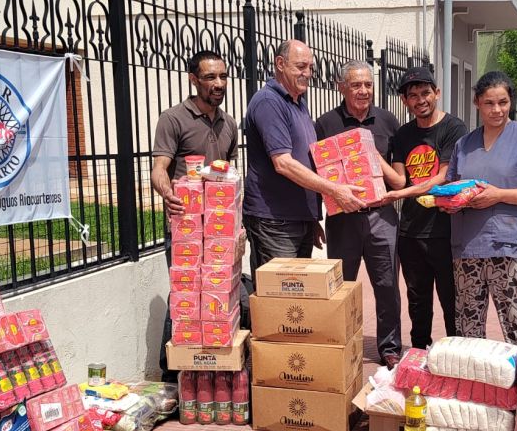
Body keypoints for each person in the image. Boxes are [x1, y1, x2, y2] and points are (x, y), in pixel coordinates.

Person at [151, 50, 240, 382]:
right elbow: (159, 169)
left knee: (223, 294)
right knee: (185, 294)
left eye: (222, 77)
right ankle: (172, 376)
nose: (218, 84)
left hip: (221, 229)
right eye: (210, 77)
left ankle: (213, 371)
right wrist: (168, 193)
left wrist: (238, 223)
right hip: (186, 228)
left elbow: (230, 176)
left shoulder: (229, 123)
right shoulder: (173, 119)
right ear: (193, 79)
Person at [242, 39, 364, 279]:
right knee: (279, 295)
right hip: (275, 222)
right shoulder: (269, 102)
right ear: (280, 64)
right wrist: (335, 190)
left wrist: (311, 219)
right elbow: (284, 163)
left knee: (296, 299)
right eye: (300, 66)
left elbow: (306, 159)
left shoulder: (298, 103)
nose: (307, 73)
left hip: (297, 220)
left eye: (310, 67)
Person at [445, 71, 517, 345]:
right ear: (476, 102)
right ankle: (475, 386)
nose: (497, 110)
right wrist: (449, 203)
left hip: (508, 247)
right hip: (467, 248)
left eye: (503, 102)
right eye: (489, 103)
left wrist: (498, 195)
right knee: (468, 328)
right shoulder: (464, 144)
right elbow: (452, 188)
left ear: (511, 102)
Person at [315, 61, 406, 367]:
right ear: (341, 87)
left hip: (382, 215)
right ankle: (341, 345)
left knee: (388, 286)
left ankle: (390, 348)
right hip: (343, 220)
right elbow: (315, 174)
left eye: (368, 84)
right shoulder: (325, 124)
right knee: (341, 287)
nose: (364, 91)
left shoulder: (388, 121)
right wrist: (316, 217)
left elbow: (398, 171)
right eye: (356, 85)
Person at [383, 67, 468, 349]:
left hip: (446, 232)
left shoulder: (454, 128)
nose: (420, 100)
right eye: (413, 95)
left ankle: (455, 356)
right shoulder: (403, 135)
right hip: (411, 232)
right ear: (406, 102)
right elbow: (397, 181)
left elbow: (443, 177)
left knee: (451, 300)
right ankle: (419, 354)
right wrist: (371, 154)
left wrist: (402, 193)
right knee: (418, 302)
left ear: (437, 93)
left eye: (425, 93)